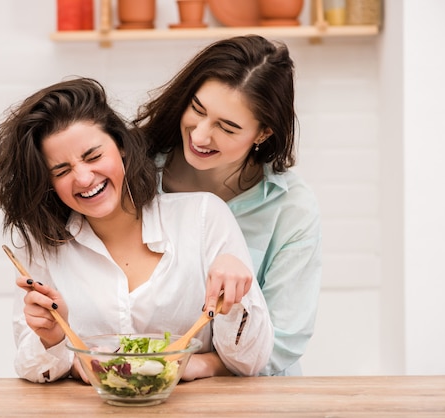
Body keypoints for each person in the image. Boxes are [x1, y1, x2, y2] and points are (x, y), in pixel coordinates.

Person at [0, 77, 273, 383]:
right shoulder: (43, 249)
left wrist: (229, 307)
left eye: (93, 156)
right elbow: (31, 370)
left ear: (121, 146)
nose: (83, 178)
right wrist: (53, 340)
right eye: (62, 171)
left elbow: (251, 361)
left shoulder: (203, 217)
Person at [132, 35, 322, 376]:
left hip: (253, 396)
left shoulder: (290, 206)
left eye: (227, 127)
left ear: (263, 132)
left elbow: (284, 341)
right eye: (197, 110)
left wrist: (195, 365)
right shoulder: (136, 173)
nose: (201, 135)